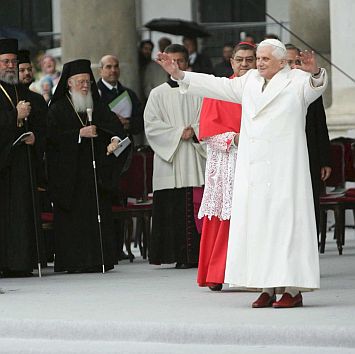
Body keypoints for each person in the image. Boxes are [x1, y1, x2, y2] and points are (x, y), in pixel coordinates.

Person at [156, 39, 327, 307]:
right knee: (259, 228)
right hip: (255, 169)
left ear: (282, 62)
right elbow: (216, 84)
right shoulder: (248, 82)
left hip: (285, 169)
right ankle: (266, 287)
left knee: (285, 227)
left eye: (265, 59)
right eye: (258, 58)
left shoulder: (296, 80)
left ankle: (292, 290)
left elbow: (315, 88)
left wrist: (315, 73)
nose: (258, 63)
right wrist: (178, 74)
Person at [47, 59, 126, 273]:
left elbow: (117, 130)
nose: (85, 86)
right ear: (69, 84)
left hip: (96, 175)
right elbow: (50, 141)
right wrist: (78, 135)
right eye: (80, 82)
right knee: (75, 220)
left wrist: (114, 141)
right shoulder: (57, 109)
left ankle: (101, 258)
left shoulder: (97, 106)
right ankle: (75, 261)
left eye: (88, 82)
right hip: (70, 177)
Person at [197, 42, 256, 291]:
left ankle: (255, 273)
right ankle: (217, 272)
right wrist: (236, 138)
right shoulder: (220, 90)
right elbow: (208, 132)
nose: (244, 65)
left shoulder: (264, 90)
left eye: (250, 60)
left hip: (257, 162)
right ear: (231, 62)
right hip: (228, 161)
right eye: (240, 60)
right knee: (226, 217)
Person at [144, 44, 206, 268]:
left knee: (195, 206)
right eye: (172, 61)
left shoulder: (199, 89)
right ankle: (172, 254)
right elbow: (151, 127)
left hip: (194, 156)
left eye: (181, 61)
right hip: (169, 159)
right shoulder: (157, 94)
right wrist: (180, 132)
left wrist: (196, 130)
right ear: (163, 63)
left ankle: (197, 255)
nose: (176, 65)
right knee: (171, 207)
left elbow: (209, 117)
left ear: (187, 62)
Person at [0, 38, 45, 277]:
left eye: (13, 62)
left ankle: (21, 262)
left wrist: (34, 137)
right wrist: (14, 116)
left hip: (21, 164)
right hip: (3, 165)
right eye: (6, 61)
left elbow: (42, 127)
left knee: (21, 213)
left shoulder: (20, 90)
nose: (10, 66)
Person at [97, 54, 144, 260]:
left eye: (116, 66)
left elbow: (140, 121)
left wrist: (127, 124)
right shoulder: (95, 94)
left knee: (123, 199)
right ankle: (110, 247)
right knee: (108, 200)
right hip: (105, 154)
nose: (113, 70)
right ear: (101, 70)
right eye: (108, 67)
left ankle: (122, 246)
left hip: (126, 152)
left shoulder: (129, 94)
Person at [286, 43, 331, 235]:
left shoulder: (309, 86)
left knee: (310, 199)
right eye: (288, 62)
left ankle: (311, 239)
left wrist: (325, 161)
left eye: (297, 61)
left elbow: (320, 124)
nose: (294, 66)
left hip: (310, 153)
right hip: (285, 156)